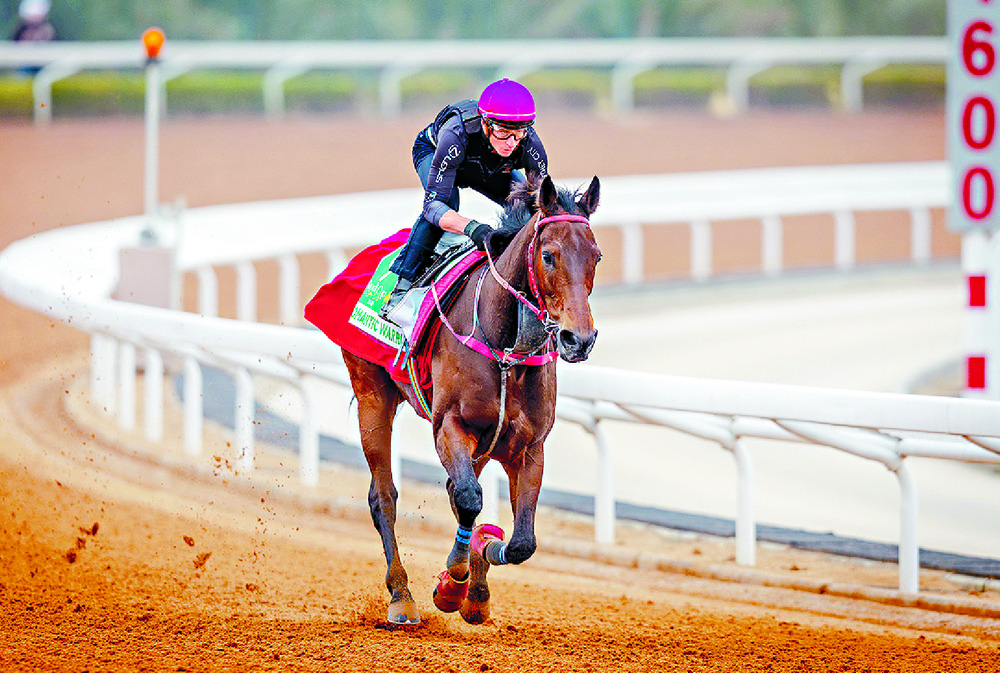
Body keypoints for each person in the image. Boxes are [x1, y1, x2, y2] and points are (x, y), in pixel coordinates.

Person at [380, 78, 548, 319]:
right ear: (485, 123)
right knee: (447, 202)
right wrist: (473, 229)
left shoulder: (529, 143)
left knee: (526, 205)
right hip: (436, 152)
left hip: (488, 165)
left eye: (519, 133)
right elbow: (432, 207)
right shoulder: (455, 133)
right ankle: (402, 288)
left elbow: (543, 204)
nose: (511, 143)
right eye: (502, 132)